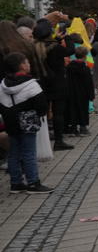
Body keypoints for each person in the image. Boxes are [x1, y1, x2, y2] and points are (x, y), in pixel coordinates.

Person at [0, 52, 51, 194]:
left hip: (10, 122)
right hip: (27, 122)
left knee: (14, 152)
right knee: (29, 152)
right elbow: (42, 106)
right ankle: (33, 182)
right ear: (22, 66)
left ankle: (16, 183)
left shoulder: (2, 84)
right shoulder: (31, 84)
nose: (29, 64)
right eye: (27, 62)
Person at [32, 22, 73, 151]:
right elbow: (70, 50)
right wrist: (67, 37)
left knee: (41, 113)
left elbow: (46, 48)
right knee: (58, 113)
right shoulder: (56, 48)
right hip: (58, 84)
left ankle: (41, 142)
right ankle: (59, 140)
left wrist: (56, 39)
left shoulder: (34, 47)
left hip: (41, 84)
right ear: (50, 33)